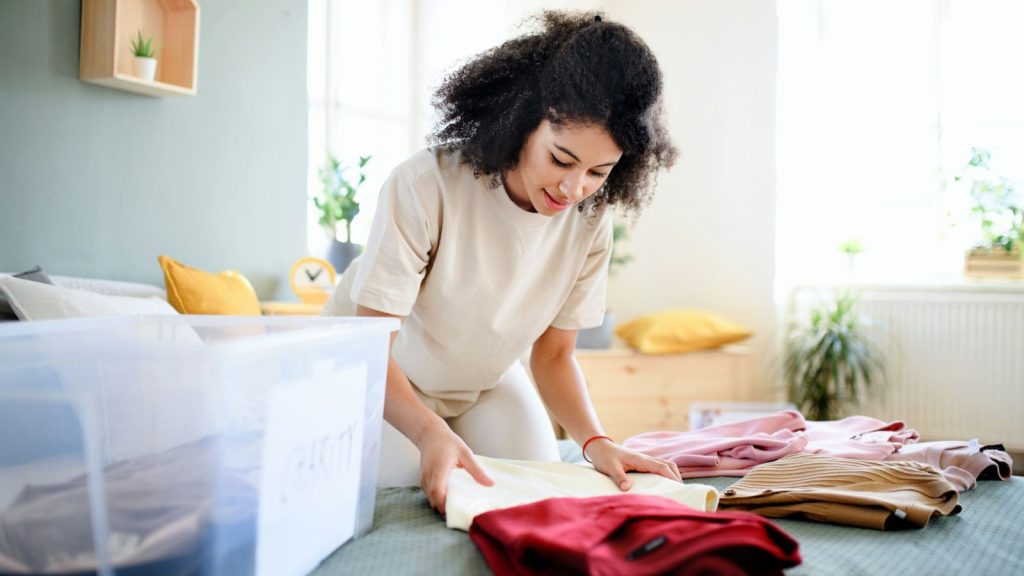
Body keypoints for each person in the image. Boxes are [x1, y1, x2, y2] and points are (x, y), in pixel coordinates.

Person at [323, 10, 680, 514]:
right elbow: (369, 349)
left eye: (599, 171)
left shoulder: (590, 220)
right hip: (376, 376)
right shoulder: (426, 186)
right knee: (414, 492)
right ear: (521, 121)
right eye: (561, 159)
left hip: (481, 383)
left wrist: (597, 442)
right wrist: (430, 434)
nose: (573, 189)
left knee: (537, 488)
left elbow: (554, 356)